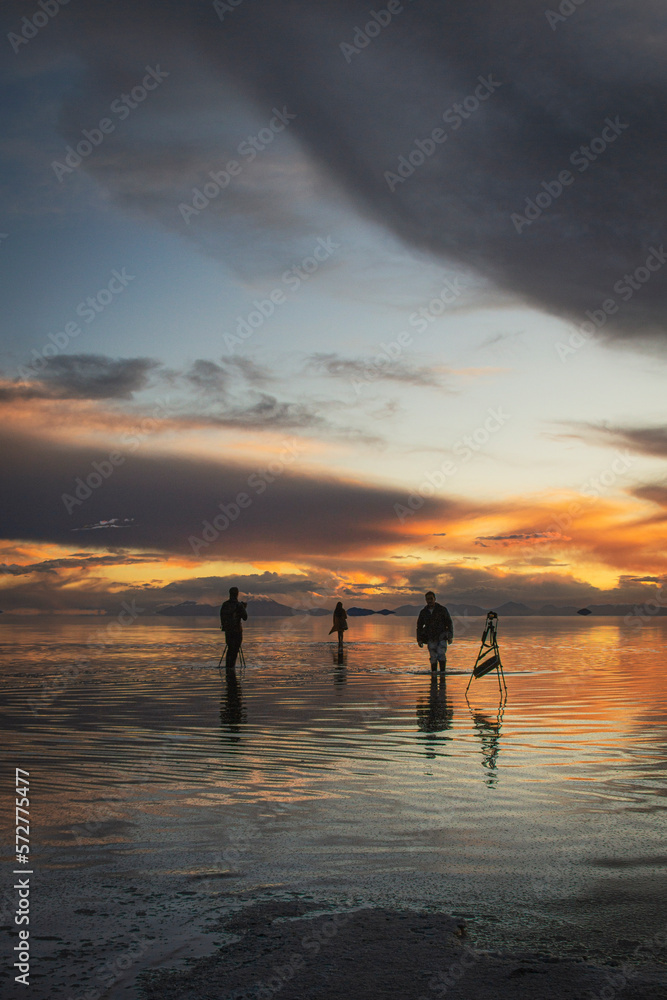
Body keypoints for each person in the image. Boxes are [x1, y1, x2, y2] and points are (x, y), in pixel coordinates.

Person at [416, 591, 453, 672]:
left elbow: (449, 623)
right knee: (433, 657)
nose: (429, 601)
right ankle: (434, 675)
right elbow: (419, 626)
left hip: (442, 636)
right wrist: (419, 639)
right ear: (425, 600)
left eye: (431, 599)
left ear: (435, 599)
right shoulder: (423, 612)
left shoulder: (442, 610)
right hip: (430, 637)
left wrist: (450, 636)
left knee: (441, 655)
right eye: (427, 599)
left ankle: (442, 674)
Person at [219, 586, 248, 669]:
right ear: (237, 594)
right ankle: (231, 669)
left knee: (230, 649)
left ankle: (228, 668)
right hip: (237, 631)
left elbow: (222, 617)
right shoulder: (238, 605)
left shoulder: (225, 605)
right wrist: (244, 608)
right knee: (235, 650)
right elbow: (245, 617)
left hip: (228, 631)